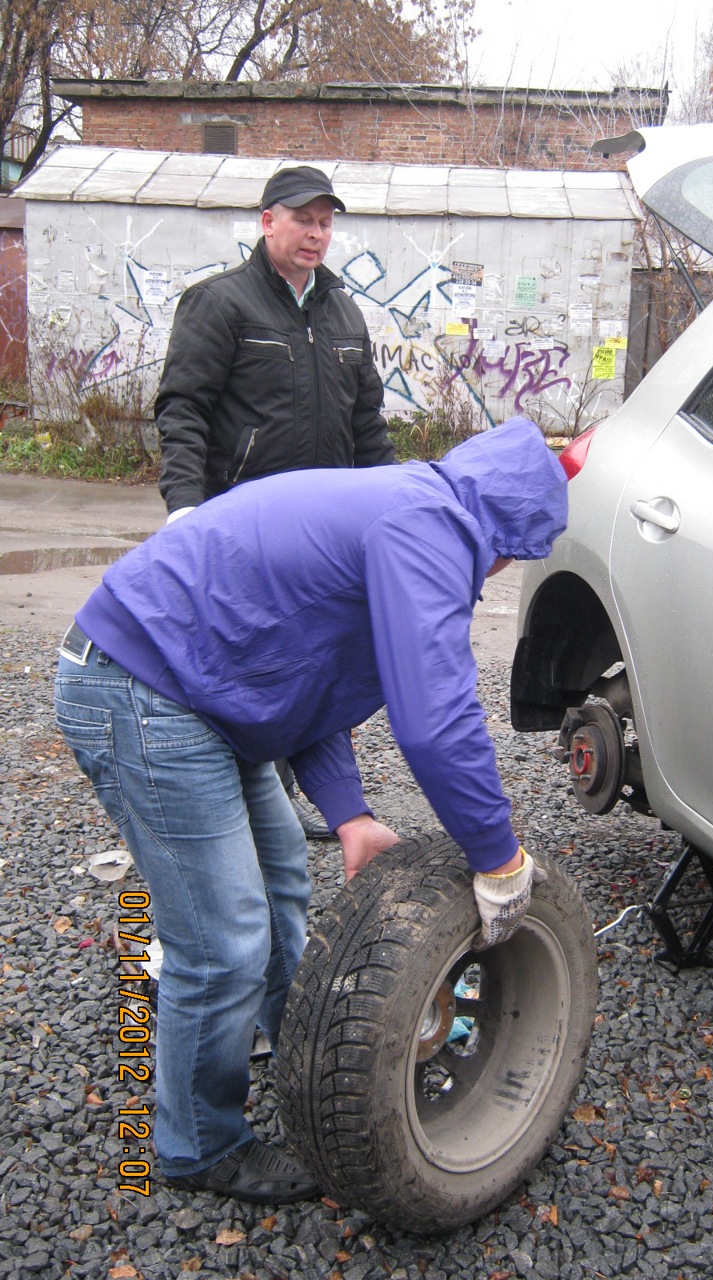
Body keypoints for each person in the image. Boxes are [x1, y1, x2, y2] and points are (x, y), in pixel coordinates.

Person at [54, 417, 568, 1206]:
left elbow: (315, 669)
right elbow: (436, 719)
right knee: (221, 937)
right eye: (514, 553)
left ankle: (304, 1051)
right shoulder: (429, 528)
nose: (501, 569)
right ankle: (198, 1146)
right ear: (508, 528)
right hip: (142, 686)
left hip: (202, 688)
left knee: (282, 882)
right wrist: (497, 855)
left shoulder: (410, 505)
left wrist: (351, 812)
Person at [155, 163, 395, 838]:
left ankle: (292, 801)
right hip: (242, 530)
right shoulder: (222, 303)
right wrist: (184, 507)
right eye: (302, 219)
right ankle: (231, 806)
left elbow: (367, 426)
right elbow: (184, 410)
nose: (315, 234)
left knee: (315, 665)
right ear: (267, 222)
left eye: (325, 222)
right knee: (245, 670)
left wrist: (395, 510)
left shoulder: (344, 312)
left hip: (324, 540)